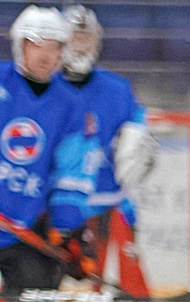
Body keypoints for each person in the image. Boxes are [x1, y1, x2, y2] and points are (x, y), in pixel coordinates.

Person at [0, 4, 95, 302]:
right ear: (20, 45)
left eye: (55, 46)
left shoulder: (71, 104)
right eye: (38, 44)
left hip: (24, 231)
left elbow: (71, 172)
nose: (47, 54)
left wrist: (69, 231)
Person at [57, 7, 153, 260]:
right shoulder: (45, 89)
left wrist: (141, 152)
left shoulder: (117, 89)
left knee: (125, 286)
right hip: (56, 206)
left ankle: (130, 297)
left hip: (110, 202)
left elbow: (138, 131)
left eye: (87, 38)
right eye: (74, 38)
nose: (80, 47)